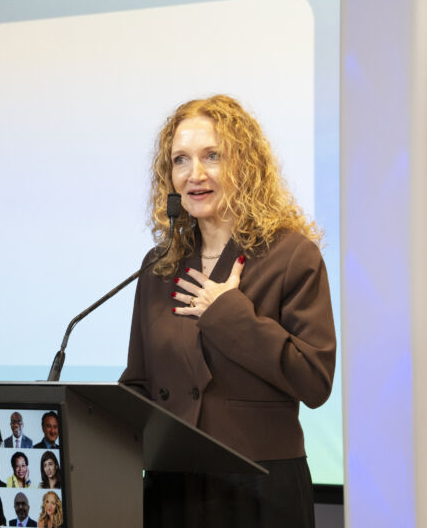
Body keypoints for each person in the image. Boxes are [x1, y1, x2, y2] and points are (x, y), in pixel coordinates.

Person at [120, 95, 336, 528]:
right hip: (172, 490)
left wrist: (229, 312)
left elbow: (314, 381)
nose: (194, 174)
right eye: (181, 160)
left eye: (212, 156)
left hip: (260, 489)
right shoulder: (159, 266)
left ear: (245, 166)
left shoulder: (292, 256)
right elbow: (140, 383)